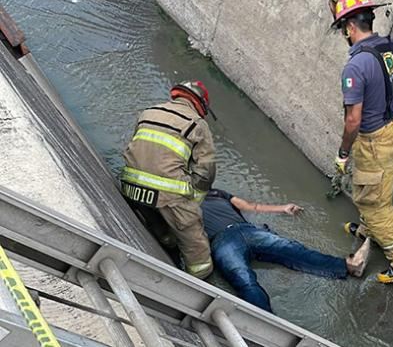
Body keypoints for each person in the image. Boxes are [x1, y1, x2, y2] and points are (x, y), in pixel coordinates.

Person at [330, 0, 393, 284]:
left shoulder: (355, 67)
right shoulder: (391, 46)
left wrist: (343, 152)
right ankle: (370, 229)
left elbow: (353, 121)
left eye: (342, 30)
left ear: (349, 27)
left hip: (374, 141)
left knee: (373, 201)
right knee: (376, 186)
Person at [201, 189, 371, 313]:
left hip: (244, 231)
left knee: (292, 250)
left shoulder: (214, 192)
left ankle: (349, 266)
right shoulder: (182, 205)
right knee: (244, 279)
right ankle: (267, 323)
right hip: (222, 239)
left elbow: (250, 206)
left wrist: (282, 208)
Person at [121, 81, 217, 279]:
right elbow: (206, 171)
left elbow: (138, 148)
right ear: (200, 104)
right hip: (166, 192)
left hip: (130, 186)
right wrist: (194, 201)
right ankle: (201, 283)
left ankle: (167, 240)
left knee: (159, 226)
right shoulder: (197, 124)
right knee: (194, 242)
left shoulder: (149, 112)